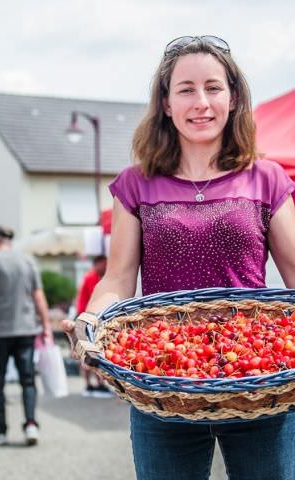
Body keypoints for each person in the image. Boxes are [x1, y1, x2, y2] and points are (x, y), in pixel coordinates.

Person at [63, 36, 295, 480]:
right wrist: (89, 320)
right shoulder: (136, 184)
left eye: (213, 87)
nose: (201, 102)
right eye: (186, 89)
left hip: (258, 374)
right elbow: (117, 279)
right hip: (163, 379)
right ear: (166, 104)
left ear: (234, 98)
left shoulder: (266, 178)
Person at [0, 225, 52, 447]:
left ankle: (1, 429)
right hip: (26, 329)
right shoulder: (27, 262)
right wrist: (45, 325)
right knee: (28, 379)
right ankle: (31, 424)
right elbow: (39, 296)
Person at [76, 255, 112, 397]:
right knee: (87, 352)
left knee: (97, 350)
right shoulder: (90, 278)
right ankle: (88, 384)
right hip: (86, 316)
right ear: (97, 263)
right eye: (104, 262)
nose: (106, 265)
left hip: (96, 318)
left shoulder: (101, 278)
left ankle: (99, 383)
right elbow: (87, 300)